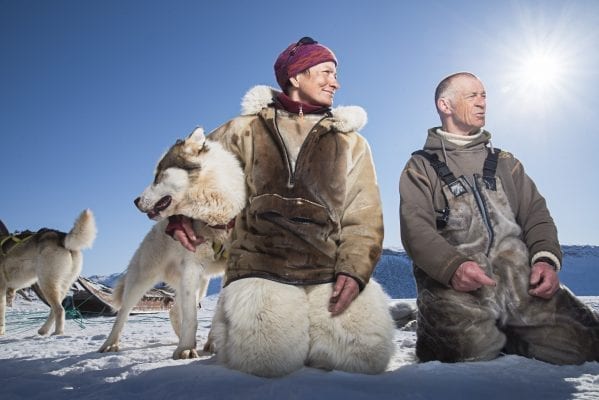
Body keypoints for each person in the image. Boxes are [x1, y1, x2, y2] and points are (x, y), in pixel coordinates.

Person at [168, 36, 395, 377]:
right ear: (296, 76)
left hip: (327, 269)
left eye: (336, 73)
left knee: (364, 358)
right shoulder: (242, 129)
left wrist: (354, 269)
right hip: (260, 267)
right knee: (265, 365)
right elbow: (189, 164)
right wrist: (179, 214)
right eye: (326, 72)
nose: (336, 81)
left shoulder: (352, 142)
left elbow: (363, 214)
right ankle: (241, 332)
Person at [399, 71, 599, 365]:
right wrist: (453, 267)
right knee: (466, 357)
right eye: (472, 96)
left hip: (522, 288)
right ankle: (437, 328)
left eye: (484, 96)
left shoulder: (507, 162)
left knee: (589, 344)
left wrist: (545, 260)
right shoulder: (419, 167)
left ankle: (516, 334)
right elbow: (415, 229)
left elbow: (536, 214)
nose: (482, 103)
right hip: (456, 292)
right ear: (445, 105)